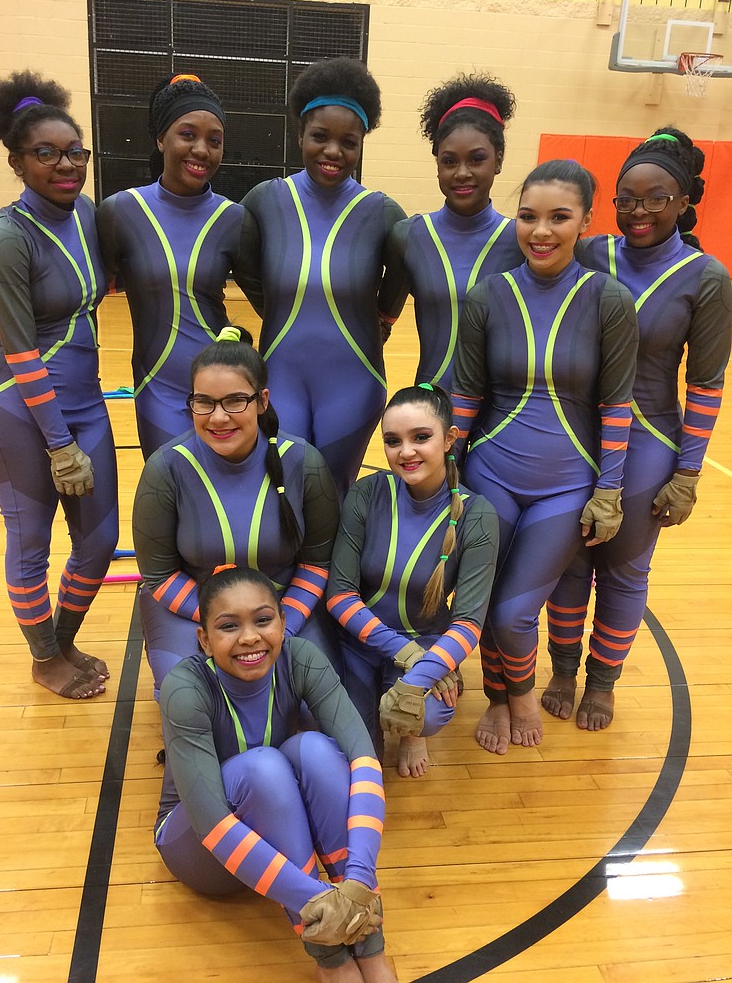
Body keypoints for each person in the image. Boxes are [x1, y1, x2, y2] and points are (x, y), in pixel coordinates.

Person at [543, 129, 732, 730]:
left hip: (650, 440)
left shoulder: (706, 278)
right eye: (626, 198)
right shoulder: (593, 253)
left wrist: (689, 472)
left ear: (684, 202)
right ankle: (563, 670)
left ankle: (602, 683)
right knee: (568, 562)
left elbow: (705, 384)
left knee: (622, 569)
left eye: (656, 198)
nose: (639, 210)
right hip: (579, 433)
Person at [450, 160, 639, 753]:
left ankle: (523, 693)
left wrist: (609, 490)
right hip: (489, 474)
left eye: (559, 217)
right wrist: (449, 478)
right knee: (480, 604)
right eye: (528, 216)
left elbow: (617, 405)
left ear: (586, 220)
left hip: (566, 487)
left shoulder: (609, 300)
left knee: (513, 613)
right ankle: (498, 699)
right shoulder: (486, 297)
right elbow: (465, 398)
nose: (541, 231)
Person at [156, 565, 397, 982]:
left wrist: (359, 881)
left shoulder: (300, 657)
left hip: (270, 837)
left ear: (283, 623)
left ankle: (368, 946)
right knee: (264, 767)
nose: (250, 637)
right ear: (204, 639)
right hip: (200, 847)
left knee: (317, 750)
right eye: (229, 626)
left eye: (263, 620)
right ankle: (331, 959)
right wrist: (321, 900)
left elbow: (365, 761)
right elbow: (212, 825)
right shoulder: (185, 688)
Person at [0, 70, 118, 699]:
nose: (65, 164)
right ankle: (43, 657)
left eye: (74, 152)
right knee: (31, 540)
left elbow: (94, 288)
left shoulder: (86, 213)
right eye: (46, 153)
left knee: (101, 537)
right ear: (17, 159)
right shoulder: (6, 234)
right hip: (19, 408)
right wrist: (59, 443)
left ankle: (62, 636)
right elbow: (25, 352)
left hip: (84, 399)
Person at [132, 328, 341, 697]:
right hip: (192, 609)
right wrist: (226, 628)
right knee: (189, 699)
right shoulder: (166, 468)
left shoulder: (304, 463)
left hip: (285, 610)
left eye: (234, 401)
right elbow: (159, 573)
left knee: (312, 706)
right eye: (204, 402)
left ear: (262, 401)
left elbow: (317, 564)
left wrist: (274, 628)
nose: (217, 418)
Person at [234, 57, 406, 498]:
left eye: (348, 141)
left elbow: (400, 276)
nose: (333, 151)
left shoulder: (383, 213)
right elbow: (249, 273)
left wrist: (382, 318)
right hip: (280, 376)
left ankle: (335, 571)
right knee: (283, 489)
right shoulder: (264, 202)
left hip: (353, 380)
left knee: (333, 494)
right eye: (320, 137)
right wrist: (277, 310)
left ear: (362, 144)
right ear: (300, 135)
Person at [326, 384, 500, 777]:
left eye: (421, 437)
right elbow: (339, 595)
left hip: (423, 641)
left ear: (449, 438)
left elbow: (469, 621)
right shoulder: (367, 492)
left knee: (429, 712)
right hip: (360, 640)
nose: (405, 452)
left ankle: (412, 735)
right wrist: (406, 655)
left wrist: (421, 675)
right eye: (393, 441)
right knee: (352, 745)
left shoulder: (478, 515)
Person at [96, 74, 246, 459]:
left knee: (224, 505)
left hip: (223, 390)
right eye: (187, 135)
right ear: (161, 138)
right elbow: (84, 293)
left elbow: (276, 300)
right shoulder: (121, 211)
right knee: (171, 501)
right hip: (157, 388)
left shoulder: (234, 219)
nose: (201, 150)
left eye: (214, 141)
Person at [379, 74, 522, 391]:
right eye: (449, 161)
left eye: (477, 159)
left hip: (502, 412)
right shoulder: (409, 236)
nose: (462, 173)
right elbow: (379, 326)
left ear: (498, 160)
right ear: (437, 164)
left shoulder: (521, 240)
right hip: (433, 408)